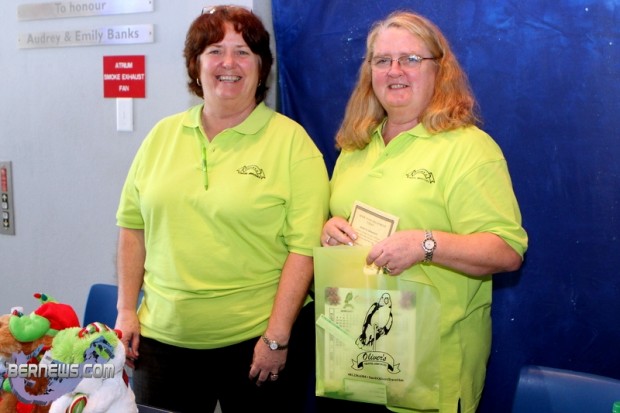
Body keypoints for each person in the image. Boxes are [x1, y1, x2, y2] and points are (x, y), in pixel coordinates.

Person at [114, 5, 329, 412]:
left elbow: (304, 250)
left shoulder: (292, 144)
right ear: (196, 66)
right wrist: (126, 309)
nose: (228, 62)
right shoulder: (161, 137)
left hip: (256, 346)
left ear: (261, 68)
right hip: (161, 344)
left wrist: (276, 338)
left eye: (243, 52)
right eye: (214, 51)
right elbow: (132, 227)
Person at [318, 10, 528, 413]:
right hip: (355, 359)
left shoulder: (469, 148)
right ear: (369, 72)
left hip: (432, 370)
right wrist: (331, 230)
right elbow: (340, 221)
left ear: (439, 70)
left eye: (411, 59)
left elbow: (506, 251)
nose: (395, 70)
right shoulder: (355, 146)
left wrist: (425, 245)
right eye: (382, 60)